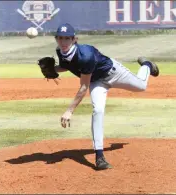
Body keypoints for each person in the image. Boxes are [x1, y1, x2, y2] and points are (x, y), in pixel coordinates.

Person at [53, 23, 159, 170]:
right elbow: (69, 65)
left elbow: (83, 86)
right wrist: (54, 69)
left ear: (74, 39)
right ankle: (100, 156)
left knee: (141, 86)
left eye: (67, 38)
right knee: (98, 110)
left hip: (114, 73)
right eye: (60, 38)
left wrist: (69, 110)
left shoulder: (86, 55)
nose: (63, 42)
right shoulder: (60, 51)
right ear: (56, 39)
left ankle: (147, 65)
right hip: (97, 82)